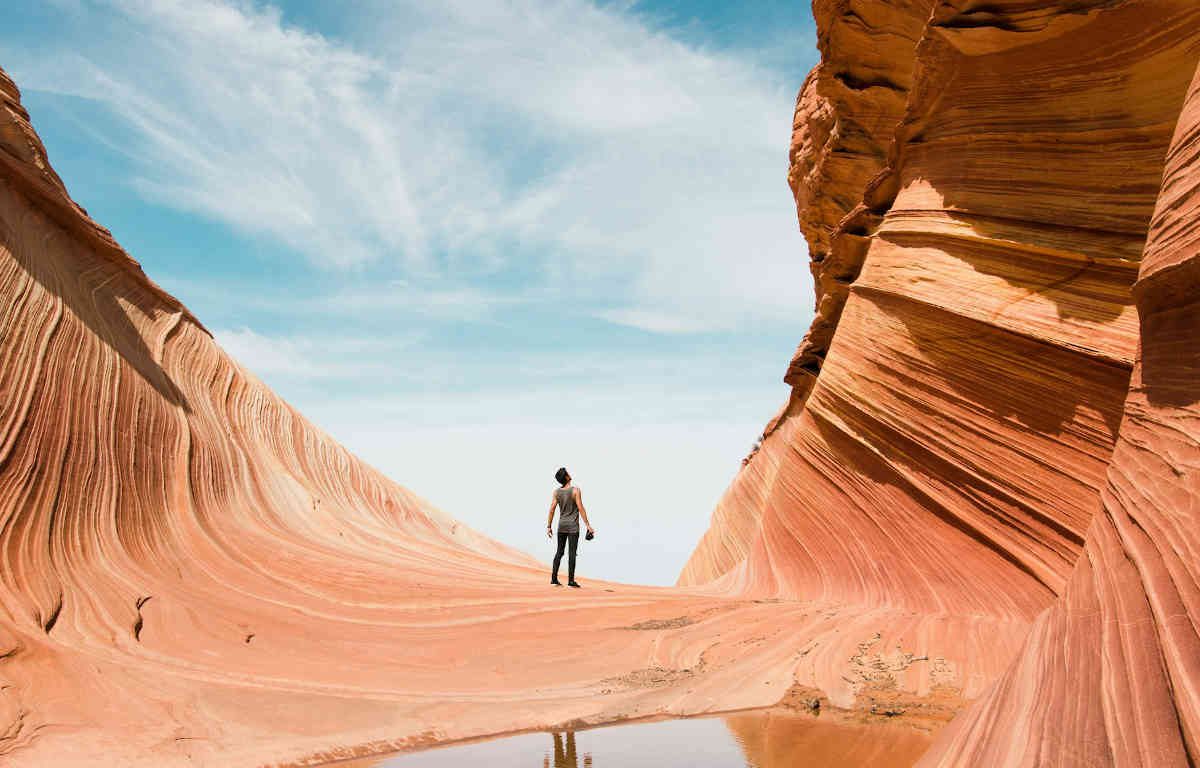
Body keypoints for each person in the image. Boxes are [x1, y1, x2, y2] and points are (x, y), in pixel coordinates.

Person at [546, 467, 594, 587]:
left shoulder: (556, 492)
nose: (569, 473)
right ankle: (571, 581)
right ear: (566, 477)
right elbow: (581, 508)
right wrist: (588, 525)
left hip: (561, 526)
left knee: (559, 552)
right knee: (572, 553)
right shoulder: (575, 490)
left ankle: (553, 579)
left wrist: (549, 526)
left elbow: (552, 509)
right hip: (573, 527)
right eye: (567, 472)